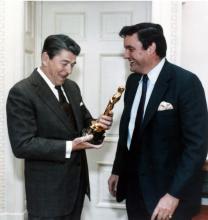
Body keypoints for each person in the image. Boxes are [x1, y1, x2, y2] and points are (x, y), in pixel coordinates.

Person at [108, 23, 208, 220]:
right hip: (134, 191)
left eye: (130, 49)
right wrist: (118, 169)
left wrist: (173, 194)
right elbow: (129, 130)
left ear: (151, 48)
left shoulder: (186, 83)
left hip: (169, 196)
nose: (126, 55)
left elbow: (196, 147)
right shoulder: (133, 81)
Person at [6, 34, 113, 220]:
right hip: (47, 197)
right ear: (45, 58)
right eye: (64, 63)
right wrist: (71, 146)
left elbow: (84, 124)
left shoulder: (72, 88)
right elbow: (22, 145)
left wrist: (99, 126)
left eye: (73, 65)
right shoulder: (22, 92)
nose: (69, 70)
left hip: (76, 190)